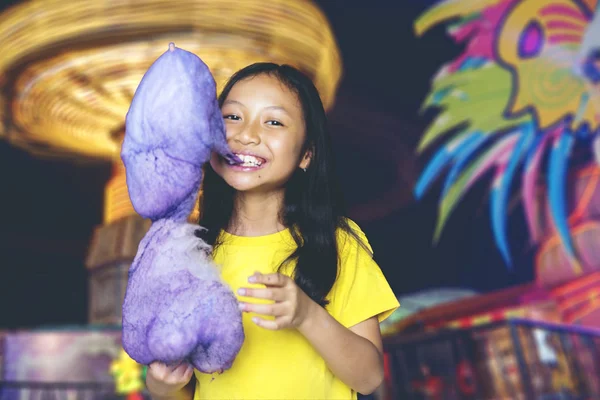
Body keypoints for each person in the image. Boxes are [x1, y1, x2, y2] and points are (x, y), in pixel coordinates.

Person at [144, 63, 399, 400]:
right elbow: (186, 391)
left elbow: (368, 378)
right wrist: (164, 386)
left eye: (273, 121)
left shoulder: (336, 244)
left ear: (306, 154)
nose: (246, 134)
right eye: (232, 117)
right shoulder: (189, 254)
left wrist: (307, 315)